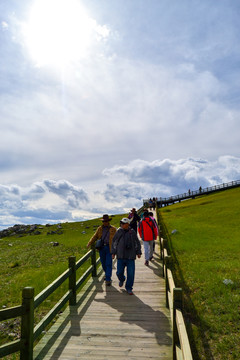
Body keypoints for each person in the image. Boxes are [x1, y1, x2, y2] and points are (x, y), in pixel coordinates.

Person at [111, 218, 142, 295]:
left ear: (128, 224)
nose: (122, 224)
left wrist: (138, 252)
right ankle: (122, 279)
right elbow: (114, 242)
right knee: (119, 272)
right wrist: (113, 253)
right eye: (121, 223)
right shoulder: (119, 231)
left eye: (123, 223)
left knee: (131, 274)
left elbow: (136, 242)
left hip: (130, 256)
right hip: (120, 256)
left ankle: (129, 288)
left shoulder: (132, 232)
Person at [87, 214, 117, 286]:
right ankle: (107, 275)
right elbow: (95, 236)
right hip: (102, 248)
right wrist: (90, 243)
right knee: (103, 263)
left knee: (108, 263)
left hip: (109, 247)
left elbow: (116, 239)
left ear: (108, 221)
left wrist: (115, 250)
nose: (105, 223)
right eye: (104, 221)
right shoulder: (100, 228)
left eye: (106, 221)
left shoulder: (113, 229)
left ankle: (108, 279)